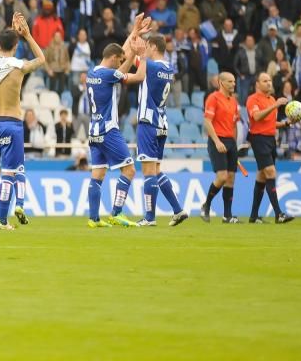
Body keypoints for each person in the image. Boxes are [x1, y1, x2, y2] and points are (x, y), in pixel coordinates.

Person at [0, 14, 46, 230]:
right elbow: (42, 60)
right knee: (9, 173)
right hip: (12, 122)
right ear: (15, 46)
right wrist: (27, 34)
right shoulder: (19, 66)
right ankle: (2, 220)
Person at [85, 14, 152, 228]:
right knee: (130, 170)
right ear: (113, 58)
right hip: (108, 129)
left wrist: (134, 32)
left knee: (98, 173)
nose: (122, 62)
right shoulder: (109, 75)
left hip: (94, 131)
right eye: (120, 60)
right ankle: (116, 212)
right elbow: (138, 77)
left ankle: (94, 219)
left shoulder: (93, 72)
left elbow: (121, 57)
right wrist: (143, 56)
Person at [129, 35, 189, 227]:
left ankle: (149, 217)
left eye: (147, 46)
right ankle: (178, 209)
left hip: (147, 122)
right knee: (155, 170)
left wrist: (134, 39)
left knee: (148, 172)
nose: (144, 49)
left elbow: (129, 58)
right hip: (162, 123)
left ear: (153, 46)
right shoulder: (168, 68)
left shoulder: (151, 66)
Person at [246, 73, 296, 224]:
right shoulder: (252, 99)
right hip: (258, 139)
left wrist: (286, 123)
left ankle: (253, 217)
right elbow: (257, 117)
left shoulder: (271, 99)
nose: (268, 83)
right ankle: (278, 214)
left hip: (270, 139)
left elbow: (270, 123)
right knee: (271, 172)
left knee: (262, 176)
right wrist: (275, 105)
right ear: (257, 84)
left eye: (270, 80)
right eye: (265, 81)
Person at [201, 72, 241, 223]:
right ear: (221, 83)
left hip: (230, 142)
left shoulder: (234, 101)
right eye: (230, 81)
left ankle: (227, 215)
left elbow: (234, 124)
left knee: (230, 179)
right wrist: (217, 142)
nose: (233, 84)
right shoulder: (213, 98)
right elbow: (207, 121)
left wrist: (234, 144)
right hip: (217, 140)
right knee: (222, 177)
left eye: (234, 81)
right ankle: (206, 205)